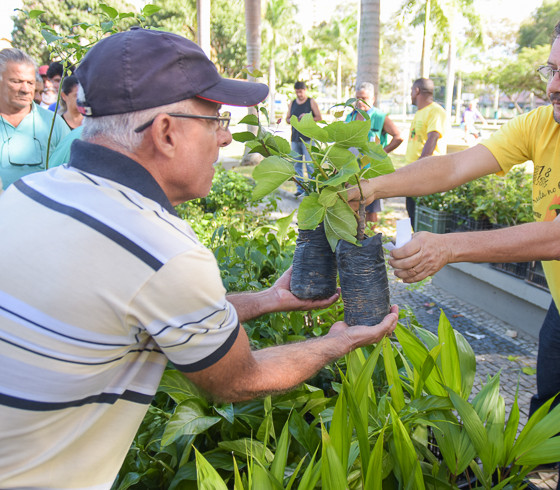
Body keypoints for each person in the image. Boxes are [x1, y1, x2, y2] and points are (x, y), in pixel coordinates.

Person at [0, 28, 398, 489]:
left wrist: (270, 299)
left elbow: (142, 313)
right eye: (215, 122)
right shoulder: (159, 248)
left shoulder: (27, 193)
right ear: (166, 133)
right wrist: (341, 340)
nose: (226, 139)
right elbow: (240, 380)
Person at [348, 10, 560, 488]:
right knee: (547, 410)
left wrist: (448, 248)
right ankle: (524, 472)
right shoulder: (543, 124)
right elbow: (455, 167)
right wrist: (373, 186)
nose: (555, 85)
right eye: (552, 69)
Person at [0, 48, 70, 190]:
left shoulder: (53, 125)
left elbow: (71, 174)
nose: (25, 89)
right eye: (16, 81)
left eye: (30, 83)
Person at [346, 81, 403, 222]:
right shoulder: (350, 116)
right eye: (357, 97)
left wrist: (381, 153)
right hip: (351, 171)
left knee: (371, 210)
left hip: (370, 172)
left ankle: (370, 238)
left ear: (372, 99)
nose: (359, 101)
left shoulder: (379, 116)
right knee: (351, 206)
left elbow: (398, 137)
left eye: (364, 98)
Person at [403, 78, 448, 229]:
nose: (410, 95)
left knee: (421, 218)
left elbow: (433, 137)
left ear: (417, 91)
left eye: (411, 91)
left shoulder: (435, 111)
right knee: (412, 213)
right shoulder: (420, 112)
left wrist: (420, 166)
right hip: (413, 173)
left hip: (424, 173)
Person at [285, 81, 322, 196]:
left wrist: (307, 117)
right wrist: (291, 120)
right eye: (297, 92)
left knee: (310, 165)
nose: (299, 94)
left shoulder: (311, 102)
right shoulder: (292, 103)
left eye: (300, 92)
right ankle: (301, 189)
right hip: (295, 138)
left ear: (305, 90)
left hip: (308, 138)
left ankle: (311, 190)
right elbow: (287, 118)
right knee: (297, 165)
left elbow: (319, 117)